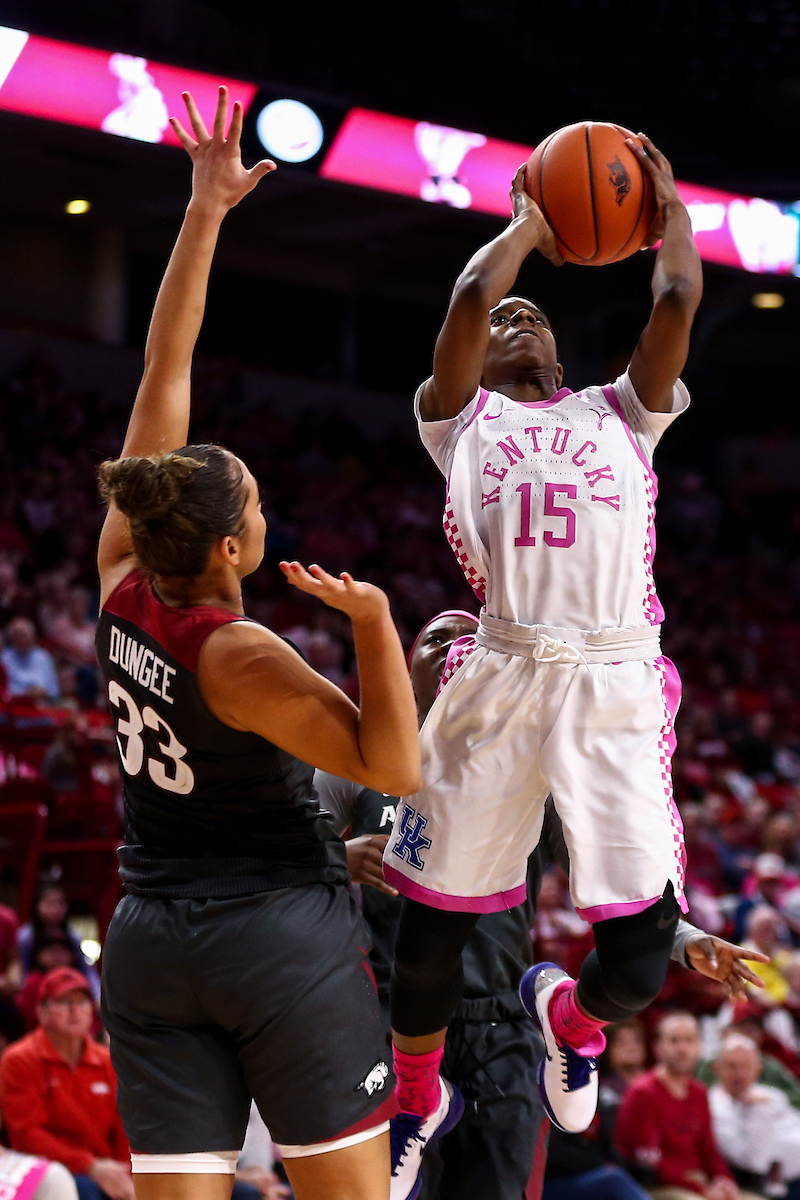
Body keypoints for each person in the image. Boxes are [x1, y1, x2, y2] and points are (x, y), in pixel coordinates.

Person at [94, 87, 420, 1200]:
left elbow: (160, 375)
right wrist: (374, 625)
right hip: (273, 944)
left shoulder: (120, 578)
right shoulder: (240, 655)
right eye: (263, 508)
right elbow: (393, 768)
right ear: (234, 547)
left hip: (149, 944)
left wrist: (204, 213)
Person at [382, 130, 704, 1191]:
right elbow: (473, 296)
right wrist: (530, 221)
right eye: (503, 320)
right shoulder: (454, 417)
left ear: (562, 357)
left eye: (536, 315)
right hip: (500, 668)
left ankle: (566, 1016)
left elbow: (673, 307)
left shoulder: (619, 412)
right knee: (425, 936)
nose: (513, 318)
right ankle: (417, 1090)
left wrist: (665, 213)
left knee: (639, 960)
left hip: (610, 676)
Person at [319, 610, 771, 1200]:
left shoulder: (529, 775)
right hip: (387, 1024)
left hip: (501, 1028)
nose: (459, 648)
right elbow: (288, 853)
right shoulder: (362, 763)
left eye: (471, 641)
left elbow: (609, 876)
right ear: (410, 666)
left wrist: (684, 942)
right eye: (440, 639)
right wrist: (342, 854)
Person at [0, 967, 132, 1200]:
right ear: (41, 1012)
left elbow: (124, 1126)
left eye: (82, 1002)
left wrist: (124, 1171)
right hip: (46, 1169)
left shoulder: (107, 1061)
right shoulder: (18, 1060)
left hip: (107, 1168)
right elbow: (27, 1136)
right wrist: (91, 1166)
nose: (74, 1010)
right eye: (63, 1002)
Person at [615, 1012, 741, 1200]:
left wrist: (724, 1180)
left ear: (699, 1046)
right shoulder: (642, 1092)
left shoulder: (699, 1092)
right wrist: (701, 1189)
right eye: (674, 1041)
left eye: (689, 1040)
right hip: (660, 1185)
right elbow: (647, 1160)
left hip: (700, 1182)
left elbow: (708, 1149)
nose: (683, 1049)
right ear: (657, 1047)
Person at [709, 1033, 800, 1199]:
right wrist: (761, 1109)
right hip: (763, 1187)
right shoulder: (714, 1107)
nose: (740, 1074)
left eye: (746, 1066)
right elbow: (753, 1163)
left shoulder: (772, 1095)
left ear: (758, 1069)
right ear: (717, 1068)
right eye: (732, 1066)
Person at [1, 617, 59, 702]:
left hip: (42, 705)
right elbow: (4, 692)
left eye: (24, 635)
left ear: (33, 637)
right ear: (11, 638)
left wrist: (41, 693)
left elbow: (54, 691)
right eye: (17, 636)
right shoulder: (4, 658)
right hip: (13, 706)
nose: (21, 639)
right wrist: (26, 694)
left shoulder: (43, 657)